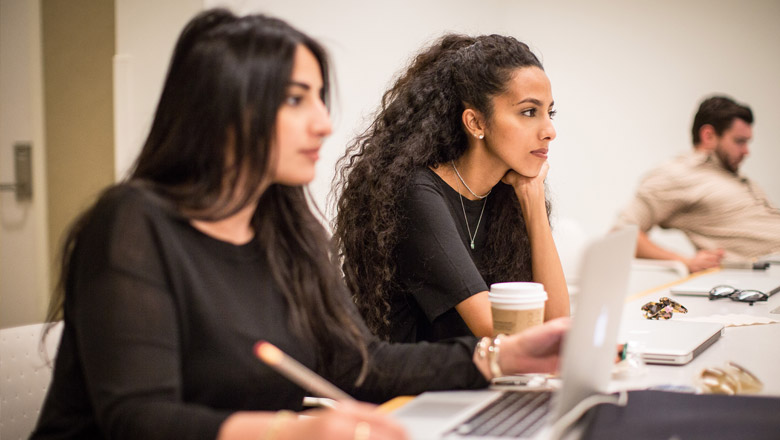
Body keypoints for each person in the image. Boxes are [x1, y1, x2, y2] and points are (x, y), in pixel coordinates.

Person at [31, 9, 570, 440]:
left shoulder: (288, 229)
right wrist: (293, 431)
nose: (323, 122)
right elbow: (136, 418)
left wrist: (500, 356)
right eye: (295, 99)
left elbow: (359, 364)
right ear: (223, 110)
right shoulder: (132, 223)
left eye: (318, 97)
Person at [333, 34, 570, 343]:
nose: (549, 131)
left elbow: (558, 322)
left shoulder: (504, 195)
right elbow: (496, 332)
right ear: (475, 123)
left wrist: (532, 197)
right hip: (412, 388)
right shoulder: (416, 194)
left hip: (475, 384)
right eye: (529, 112)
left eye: (549, 113)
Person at [615, 96, 780, 273]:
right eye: (739, 141)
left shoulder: (731, 175)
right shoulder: (677, 174)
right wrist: (685, 262)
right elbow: (621, 236)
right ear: (708, 135)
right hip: (758, 279)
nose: (746, 152)